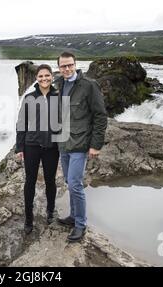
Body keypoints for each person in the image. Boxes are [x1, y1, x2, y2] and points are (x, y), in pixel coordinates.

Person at [55, 52, 108, 242]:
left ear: (75, 65)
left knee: (75, 184)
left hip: (80, 143)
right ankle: (73, 216)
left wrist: (95, 144)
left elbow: (100, 116)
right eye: (63, 66)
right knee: (70, 182)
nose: (67, 69)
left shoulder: (89, 85)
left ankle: (80, 225)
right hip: (63, 143)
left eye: (70, 65)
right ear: (59, 68)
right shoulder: (59, 83)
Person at [15, 64, 60, 235]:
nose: (44, 79)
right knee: (30, 182)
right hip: (31, 146)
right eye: (40, 76)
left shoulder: (58, 96)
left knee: (50, 181)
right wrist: (20, 147)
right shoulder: (29, 98)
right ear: (37, 79)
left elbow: (64, 122)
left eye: (47, 75)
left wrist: (63, 145)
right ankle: (28, 218)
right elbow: (21, 124)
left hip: (52, 147)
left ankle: (50, 211)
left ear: (52, 77)